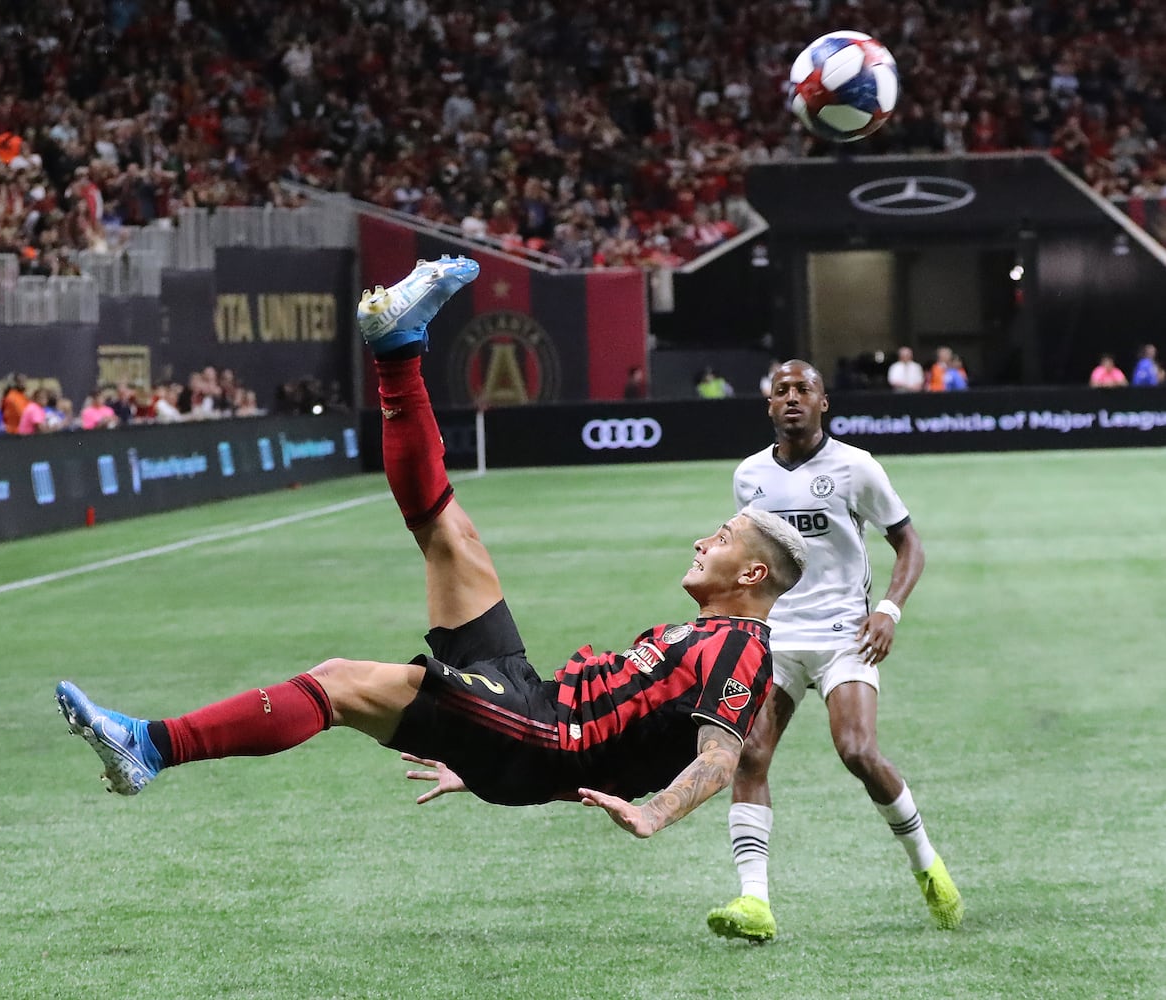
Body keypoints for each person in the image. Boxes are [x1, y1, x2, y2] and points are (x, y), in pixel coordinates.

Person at [56, 257, 809, 842]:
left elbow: (718, 757)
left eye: (720, 537)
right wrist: (483, 761)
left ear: (750, 572)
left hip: (539, 732)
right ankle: (397, 350)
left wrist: (654, 816)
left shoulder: (744, 649)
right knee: (448, 532)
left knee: (340, 682)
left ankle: (149, 748)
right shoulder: (708, 632)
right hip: (531, 706)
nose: (700, 540)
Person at [705, 359, 963, 943]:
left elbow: (909, 543)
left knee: (856, 749)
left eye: (804, 390)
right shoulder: (749, 477)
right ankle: (754, 902)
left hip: (846, 634)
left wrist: (888, 610)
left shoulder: (855, 468)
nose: (792, 398)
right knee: (749, 755)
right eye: (781, 391)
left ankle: (926, 863)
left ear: (824, 404)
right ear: (768, 406)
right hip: (775, 637)